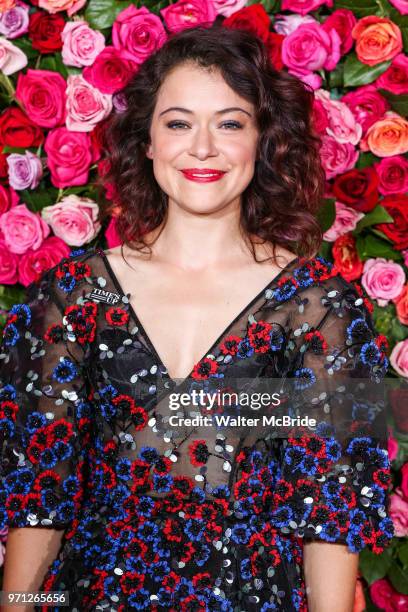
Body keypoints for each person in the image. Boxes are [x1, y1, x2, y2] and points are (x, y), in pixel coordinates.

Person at [0, 23, 394, 612]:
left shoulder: (319, 309)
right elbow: (41, 502)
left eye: (229, 123)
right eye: (179, 122)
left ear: (261, 142)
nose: (202, 147)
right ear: (149, 141)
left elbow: (331, 514)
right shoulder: (76, 296)